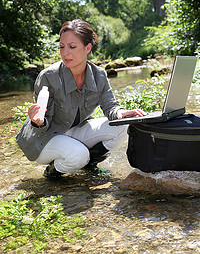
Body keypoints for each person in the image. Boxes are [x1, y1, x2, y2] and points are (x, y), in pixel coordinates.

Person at [16, 19, 147, 180]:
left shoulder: (99, 74)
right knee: (78, 155)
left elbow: (110, 106)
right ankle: (53, 171)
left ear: (88, 48)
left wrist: (121, 113)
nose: (65, 53)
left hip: (74, 130)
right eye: (62, 47)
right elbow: (44, 122)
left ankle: (89, 164)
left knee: (125, 125)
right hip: (45, 138)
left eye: (72, 47)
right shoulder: (48, 77)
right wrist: (38, 121)